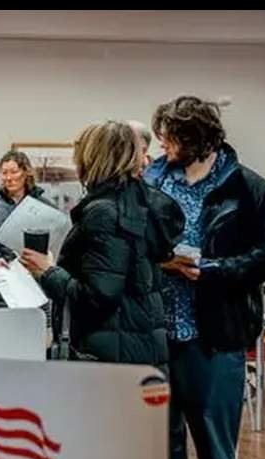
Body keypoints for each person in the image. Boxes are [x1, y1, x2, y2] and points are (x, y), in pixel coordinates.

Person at [144, 96, 265, 459]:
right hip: (156, 330)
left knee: (214, 436)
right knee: (160, 435)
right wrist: (159, 261)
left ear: (197, 138)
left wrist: (215, 269)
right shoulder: (151, 180)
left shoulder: (247, 187)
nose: (162, 145)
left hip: (217, 331)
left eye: (170, 137)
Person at [20, 121, 183, 366]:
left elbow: (98, 297)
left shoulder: (105, 212)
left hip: (110, 357)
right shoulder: (139, 202)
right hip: (139, 348)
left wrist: (48, 272)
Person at [0, 150, 56, 308]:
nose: (8, 178)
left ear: (25, 173)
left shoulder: (43, 205)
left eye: (14, 172)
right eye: (4, 173)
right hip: (0, 283)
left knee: (34, 322)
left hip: (33, 280)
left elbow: (55, 240)